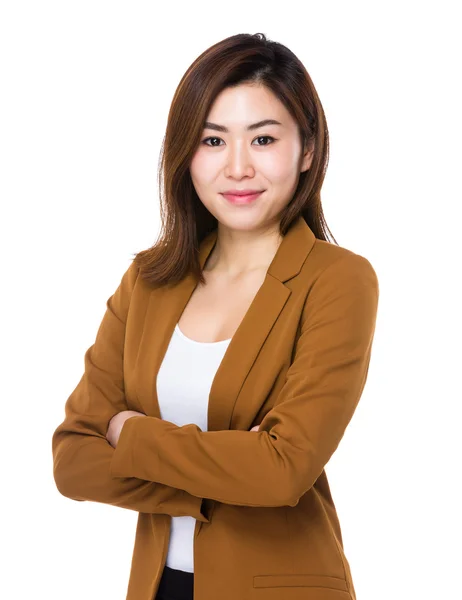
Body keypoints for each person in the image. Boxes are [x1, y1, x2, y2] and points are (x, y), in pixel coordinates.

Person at [52, 32, 379, 600]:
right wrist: (224, 471)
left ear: (306, 149)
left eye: (263, 138)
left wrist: (129, 433)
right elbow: (73, 460)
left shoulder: (338, 281)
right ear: (186, 154)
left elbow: (282, 470)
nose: (237, 167)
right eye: (212, 140)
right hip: (159, 587)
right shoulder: (149, 280)